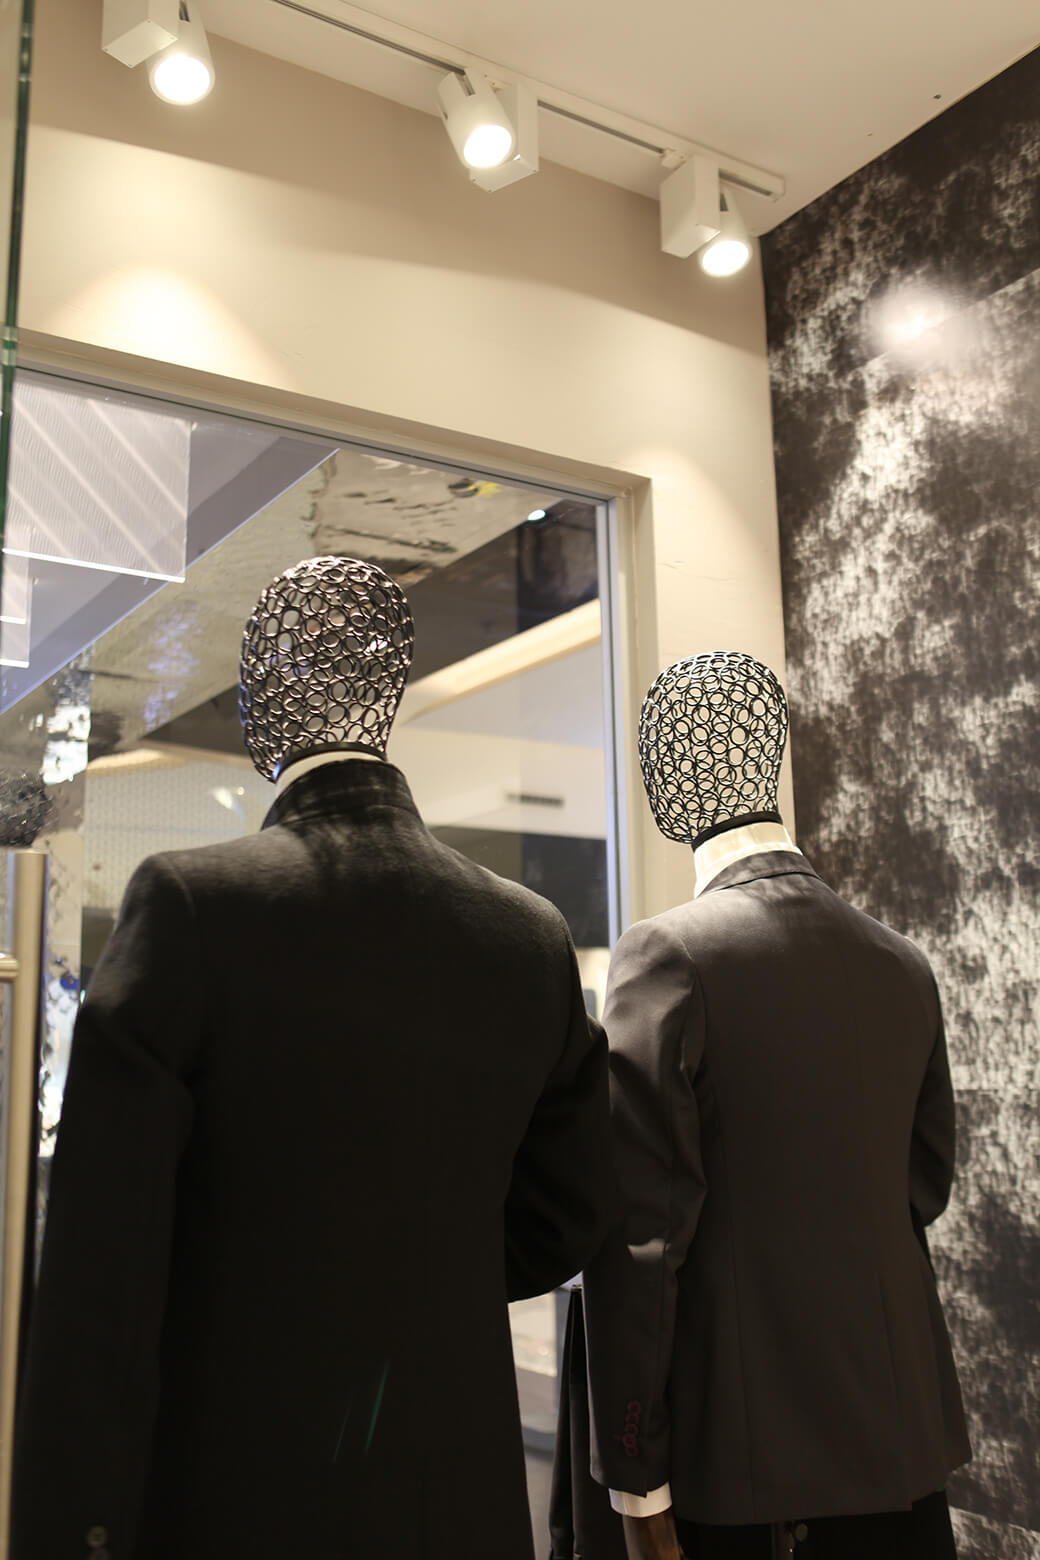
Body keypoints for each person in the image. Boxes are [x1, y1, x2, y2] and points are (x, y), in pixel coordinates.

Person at [11, 557, 618, 1560]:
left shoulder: (191, 906)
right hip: (460, 1501)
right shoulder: (528, 935)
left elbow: (101, 1282)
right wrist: (421, 1276)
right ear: (388, 698)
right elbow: (571, 1216)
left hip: (238, 1496)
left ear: (260, 706)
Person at [581, 651, 970, 1560]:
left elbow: (643, 1238)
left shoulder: (666, 955)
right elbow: (924, 1187)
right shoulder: (901, 962)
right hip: (901, 1446)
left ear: (662, 791)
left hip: (744, 1474)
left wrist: (636, 1477)